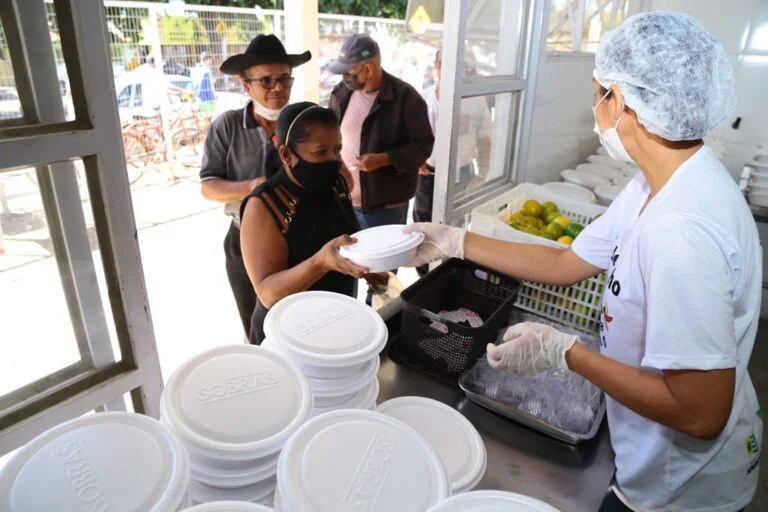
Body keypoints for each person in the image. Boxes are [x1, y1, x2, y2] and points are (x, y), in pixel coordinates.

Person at [406, 12, 762, 512]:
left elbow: (701, 412)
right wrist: (453, 241)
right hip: (651, 454)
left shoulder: (682, 229)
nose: (594, 107)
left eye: (598, 92)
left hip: (681, 488)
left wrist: (565, 353)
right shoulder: (658, 183)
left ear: (624, 101)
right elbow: (566, 262)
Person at [199, 34, 310, 336]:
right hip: (244, 239)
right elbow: (208, 186)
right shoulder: (228, 126)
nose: (277, 88)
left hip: (302, 237)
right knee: (256, 323)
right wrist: (256, 187)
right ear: (246, 85)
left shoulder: (304, 121)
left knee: (301, 322)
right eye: (266, 81)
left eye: (284, 80)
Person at [239, 102, 368, 344]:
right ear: (287, 155)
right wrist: (320, 263)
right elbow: (268, 293)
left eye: (337, 150)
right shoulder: (264, 206)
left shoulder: (337, 183)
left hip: (334, 320)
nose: (333, 160)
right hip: (286, 335)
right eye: (321, 152)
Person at [327, 34, 434, 231]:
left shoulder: (406, 99)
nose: (344, 78)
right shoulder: (341, 93)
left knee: (381, 262)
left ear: (368, 69)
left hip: (385, 210)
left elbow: (422, 146)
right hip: (344, 203)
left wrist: (384, 159)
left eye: (349, 72)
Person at [415, 50, 492, 276]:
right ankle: (424, 279)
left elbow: (486, 140)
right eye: (442, 63)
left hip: (462, 175)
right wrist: (414, 160)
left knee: (454, 231)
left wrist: (483, 174)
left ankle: (448, 277)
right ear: (436, 66)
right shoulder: (424, 97)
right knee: (421, 230)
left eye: (453, 64)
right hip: (428, 175)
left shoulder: (475, 99)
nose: (446, 68)